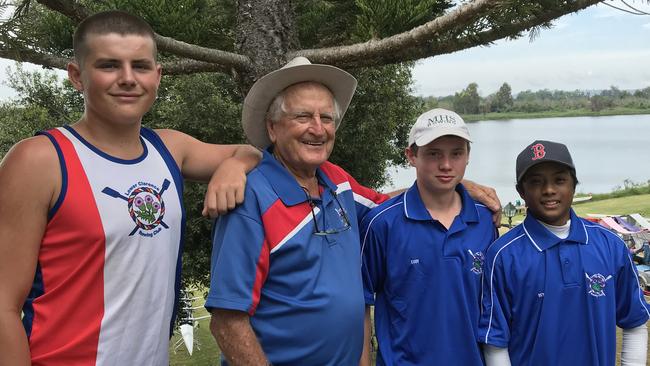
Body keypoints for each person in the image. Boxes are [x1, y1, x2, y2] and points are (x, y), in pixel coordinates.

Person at [0, 10, 261, 366]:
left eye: (139, 66)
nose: (127, 78)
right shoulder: (39, 160)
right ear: (77, 76)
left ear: (157, 75)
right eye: (109, 65)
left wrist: (235, 165)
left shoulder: (170, 149)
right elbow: (3, 305)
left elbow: (249, 152)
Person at [206, 57, 502, 365]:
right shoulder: (251, 198)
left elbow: (395, 202)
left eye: (327, 118)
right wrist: (237, 161)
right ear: (272, 127)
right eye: (303, 116)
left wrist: (458, 184)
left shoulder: (337, 183)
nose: (318, 129)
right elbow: (227, 321)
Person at [478, 140, 649, 366]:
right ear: (521, 191)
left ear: (574, 185)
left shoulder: (610, 246)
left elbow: (635, 323)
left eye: (559, 180)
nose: (549, 189)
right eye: (536, 182)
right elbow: (495, 343)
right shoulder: (503, 255)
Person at [360, 108, 497, 366]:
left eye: (456, 153)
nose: (446, 165)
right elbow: (360, 306)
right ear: (411, 156)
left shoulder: (485, 222)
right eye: (434, 154)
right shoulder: (381, 224)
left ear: (468, 156)